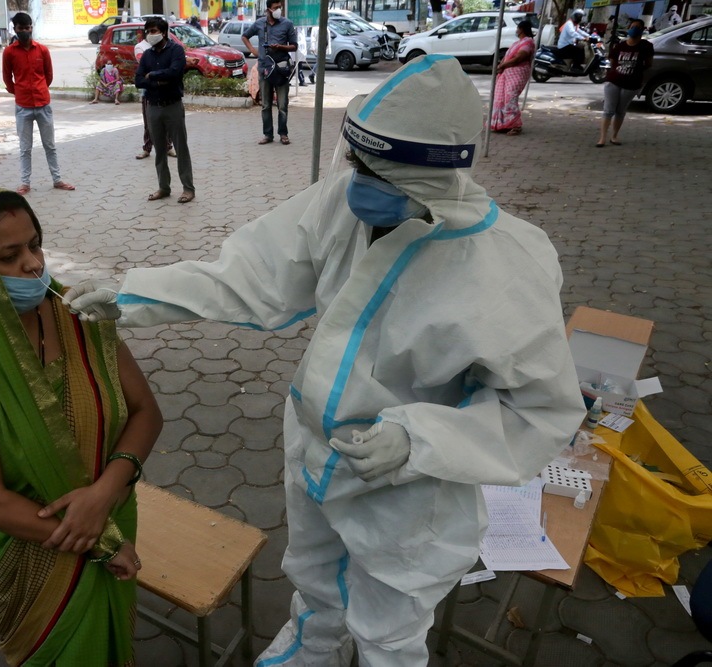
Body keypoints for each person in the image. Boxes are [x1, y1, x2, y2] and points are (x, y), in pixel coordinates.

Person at [63, 56, 585, 666]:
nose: (356, 181)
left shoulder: (504, 266)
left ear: (437, 175)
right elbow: (251, 275)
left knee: (389, 628)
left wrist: (418, 439)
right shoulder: (343, 203)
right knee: (314, 578)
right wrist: (136, 296)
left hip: (407, 488)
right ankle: (313, 649)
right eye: (357, 162)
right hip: (313, 451)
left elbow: (540, 411)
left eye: (377, 172)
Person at [0, 186, 163, 666]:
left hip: (112, 516)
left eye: (35, 245)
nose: (34, 265)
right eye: (9, 255)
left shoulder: (76, 314)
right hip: (31, 552)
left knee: (111, 643)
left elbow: (146, 411)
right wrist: (102, 544)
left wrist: (105, 494)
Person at [2, 12, 75, 195]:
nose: (25, 31)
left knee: (50, 145)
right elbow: (7, 77)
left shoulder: (42, 50)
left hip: (43, 105)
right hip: (23, 107)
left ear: (31, 27)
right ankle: (25, 183)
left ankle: (57, 180)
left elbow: (48, 75)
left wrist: (40, 89)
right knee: (25, 148)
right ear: (16, 29)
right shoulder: (9, 52)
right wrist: (17, 91)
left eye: (27, 28)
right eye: (21, 28)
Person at [135, 17, 195, 204]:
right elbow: (138, 80)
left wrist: (152, 75)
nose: (151, 35)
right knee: (160, 150)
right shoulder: (147, 55)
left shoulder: (176, 50)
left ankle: (188, 188)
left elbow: (175, 72)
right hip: (153, 107)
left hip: (173, 106)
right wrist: (161, 79)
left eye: (154, 31)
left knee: (180, 148)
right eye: (148, 31)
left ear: (163, 32)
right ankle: (164, 187)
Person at [243, 0, 297, 145]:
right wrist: (254, 51)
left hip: (281, 70)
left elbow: (294, 46)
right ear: (268, 9)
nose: (279, 10)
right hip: (265, 69)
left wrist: (280, 47)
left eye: (280, 7)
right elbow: (245, 36)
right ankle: (268, 134)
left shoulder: (287, 24)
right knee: (266, 105)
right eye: (276, 8)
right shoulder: (260, 23)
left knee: (282, 105)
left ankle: (283, 134)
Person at [597, 18, 653, 147]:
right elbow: (612, 61)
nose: (634, 29)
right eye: (632, 26)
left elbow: (649, 63)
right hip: (614, 81)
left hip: (632, 83)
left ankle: (614, 136)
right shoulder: (621, 45)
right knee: (608, 110)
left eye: (638, 27)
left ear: (642, 29)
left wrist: (637, 70)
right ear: (628, 28)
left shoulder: (646, 46)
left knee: (620, 111)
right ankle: (602, 138)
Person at [490, 19, 536, 136]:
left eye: (517, 28)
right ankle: (504, 124)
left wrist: (502, 65)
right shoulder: (517, 43)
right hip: (507, 73)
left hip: (518, 73)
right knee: (501, 98)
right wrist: (502, 66)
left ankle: (515, 125)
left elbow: (519, 58)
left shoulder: (528, 42)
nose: (516, 30)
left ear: (521, 29)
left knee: (510, 97)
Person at [133, 34, 175, 160]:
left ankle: (168, 147)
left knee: (167, 122)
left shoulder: (167, 47)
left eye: (155, 30)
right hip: (149, 92)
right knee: (149, 123)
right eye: (151, 30)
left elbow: (173, 69)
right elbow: (143, 69)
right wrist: (162, 72)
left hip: (166, 92)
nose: (154, 34)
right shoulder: (141, 48)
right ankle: (147, 148)